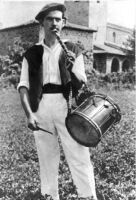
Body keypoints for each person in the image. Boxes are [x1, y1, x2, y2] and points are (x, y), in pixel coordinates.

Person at [18, 3, 97, 200]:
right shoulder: (32, 53)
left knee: (79, 155)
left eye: (58, 19)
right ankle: (49, 196)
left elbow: (81, 86)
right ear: (42, 23)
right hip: (41, 108)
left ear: (64, 23)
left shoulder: (73, 49)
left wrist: (71, 69)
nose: (54, 23)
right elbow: (23, 86)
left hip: (66, 107)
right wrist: (29, 115)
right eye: (49, 19)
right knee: (47, 157)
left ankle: (88, 196)